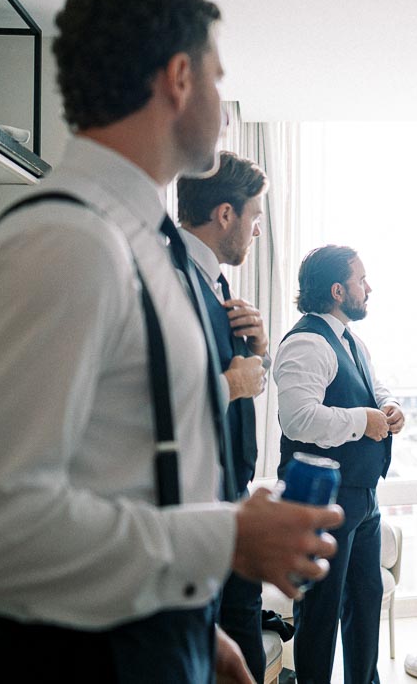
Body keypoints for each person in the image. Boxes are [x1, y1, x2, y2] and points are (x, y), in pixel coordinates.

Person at [0, 0, 340, 684]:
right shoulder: (65, 243)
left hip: (151, 642)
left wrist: (187, 627)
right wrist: (226, 536)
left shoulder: (148, 246)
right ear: (179, 78)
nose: (225, 107)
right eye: (217, 76)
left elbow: (127, 471)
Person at [274, 245, 406, 684]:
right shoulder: (306, 343)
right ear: (337, 290)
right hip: (323, 497)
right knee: (321, 607)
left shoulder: (350, 339)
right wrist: (361, 421)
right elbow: (297, 418)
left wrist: (387, 405)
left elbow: (372, 385)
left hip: (363, 495)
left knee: (365, 598)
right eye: (361, 280)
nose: (369, 288)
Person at [177, 153, 272, 683]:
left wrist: (257, 351)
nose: (256, 231)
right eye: (253, 218)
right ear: (225, 216)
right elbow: (158, 401)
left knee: (245, 648)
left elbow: (238, 374)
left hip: (230, 497)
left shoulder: (215, 286)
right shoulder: (172, 277)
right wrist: (234, 384)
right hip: (197, 507)